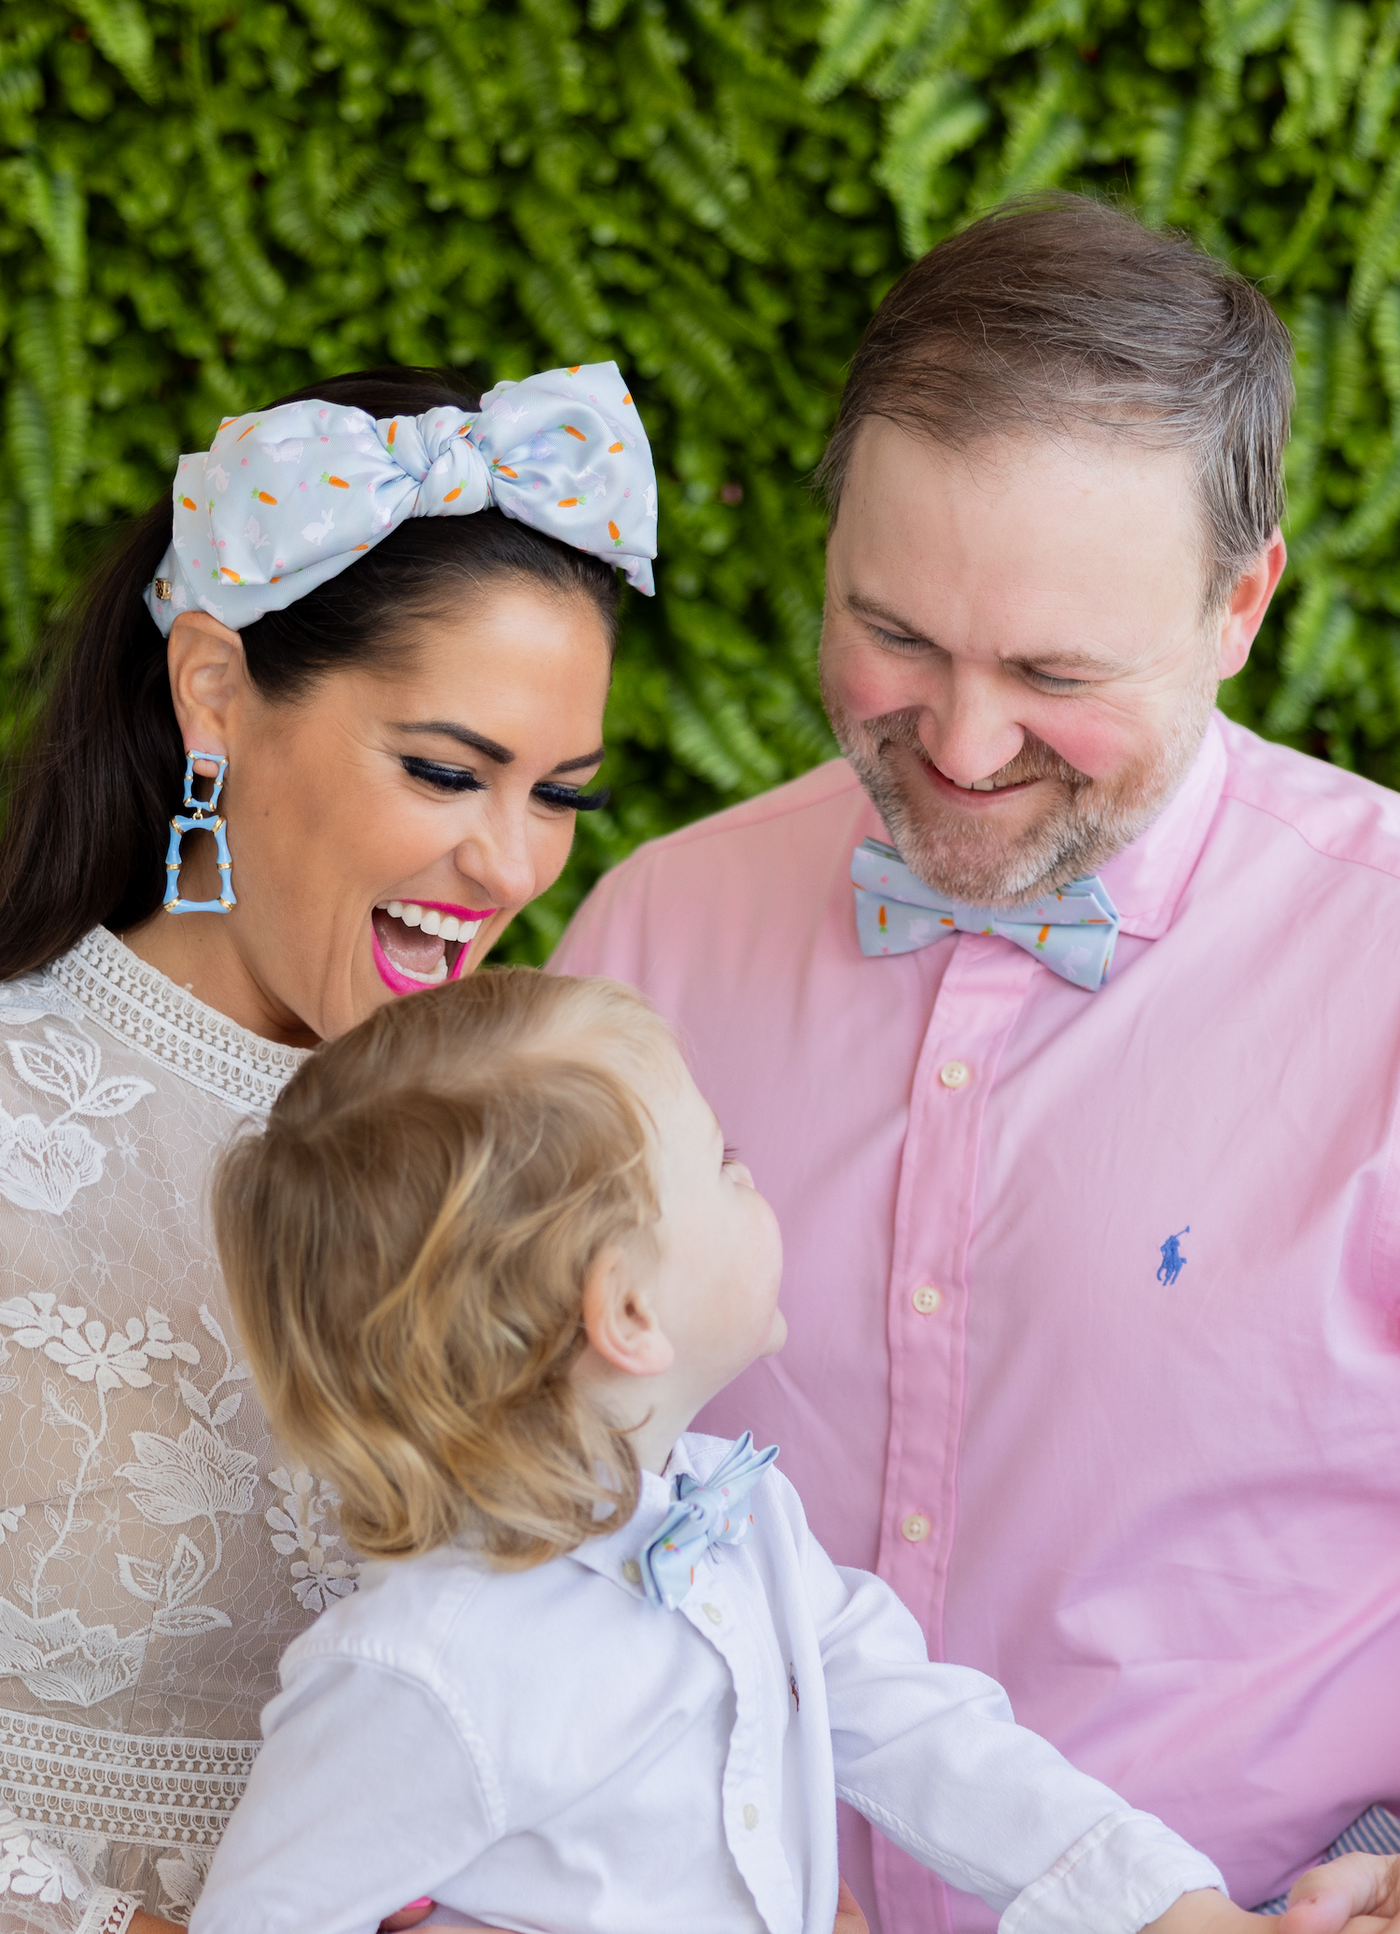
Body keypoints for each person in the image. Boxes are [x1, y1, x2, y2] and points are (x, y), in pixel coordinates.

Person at [552, 194, 1400, 1934]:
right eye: (898, 638)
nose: (960, 741)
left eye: (1054, 671)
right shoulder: (653, 934)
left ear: (1243, 605)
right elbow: (515, 1477)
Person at [195, 964, 1338, 1934]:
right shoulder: (420, 1670)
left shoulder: (737, 1521)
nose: (755, 1180)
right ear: (628, 1312)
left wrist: (1170, 1905)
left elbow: (920, 1726)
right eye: (724, 1159)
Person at [0, 360, 655, 1933]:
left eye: (558, 792)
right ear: (213, 690)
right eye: (443, 770)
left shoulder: (538, 1152)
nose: (506, 862)